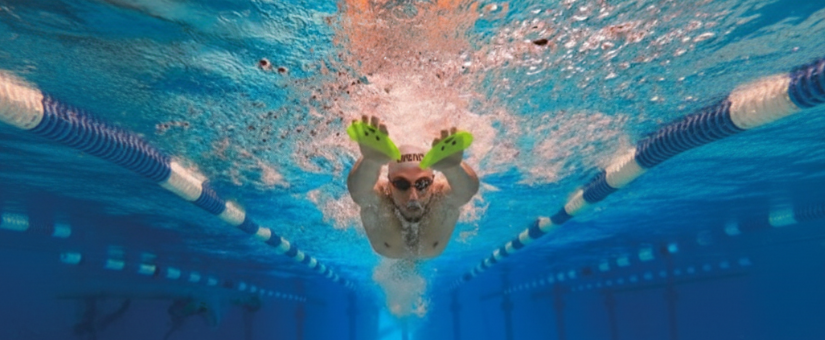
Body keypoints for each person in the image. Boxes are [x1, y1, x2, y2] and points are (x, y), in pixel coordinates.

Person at [347, 116, 479, 259]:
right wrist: (370, 162)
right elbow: (359, 191)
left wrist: (453, 169)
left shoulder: (440, 195)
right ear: (389, 181)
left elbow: (466, 191)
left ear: (433, 180)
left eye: (422, 183)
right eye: (401, 184)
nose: (413, 196)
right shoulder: (380, 196)